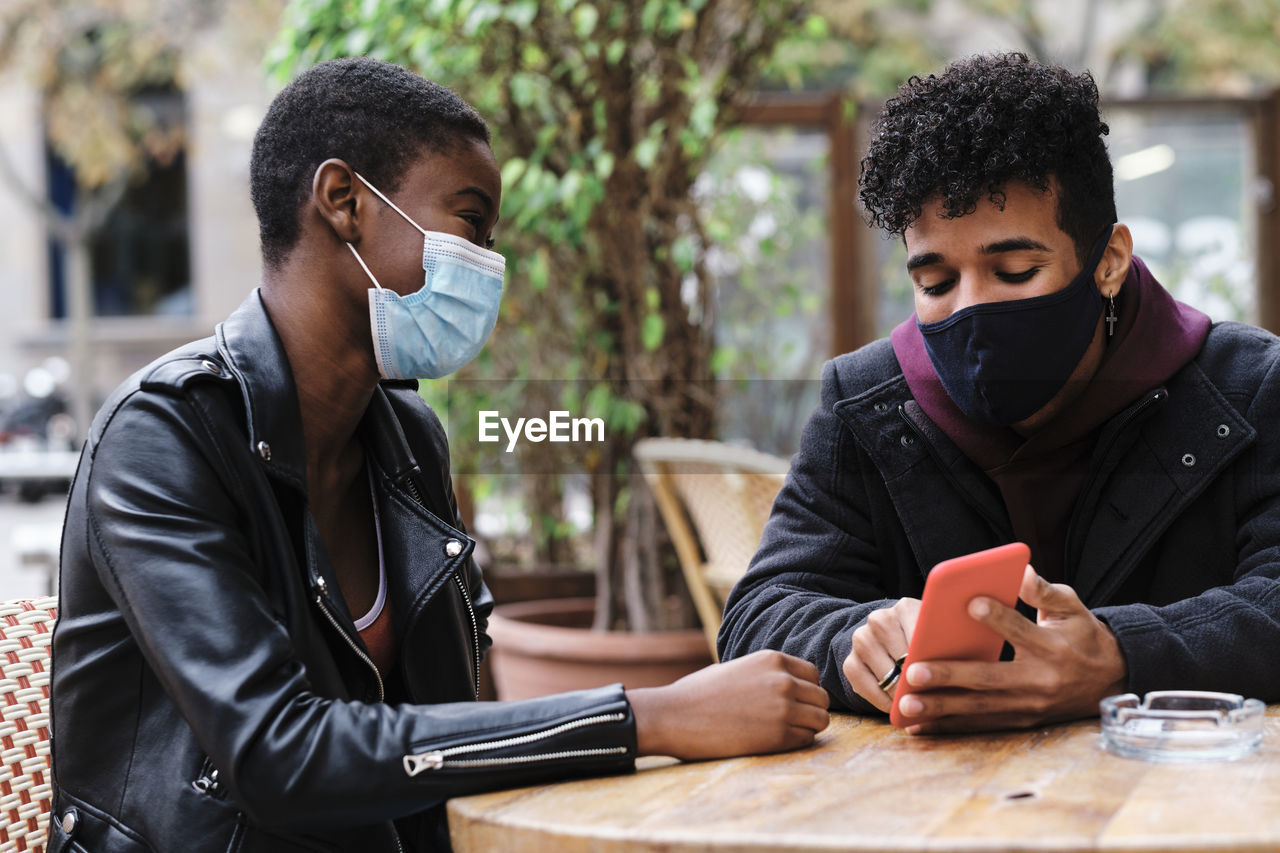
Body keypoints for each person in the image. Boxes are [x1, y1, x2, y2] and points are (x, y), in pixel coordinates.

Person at [50, 57, 830, 853]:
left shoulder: (407, 440)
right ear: (345, 202)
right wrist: (652, 714)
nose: (488, 267)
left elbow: (450, 719)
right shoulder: (166, 437)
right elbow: (275, 752)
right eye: (468, 223)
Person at [718, 52, 1280, 735]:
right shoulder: (862, 402)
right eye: (936, 283)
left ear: (1108, 261)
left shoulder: (1248, 389)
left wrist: (1122, 654)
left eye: (1013, 270)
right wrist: (851, 641)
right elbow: (760, 612)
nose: (972, 309)